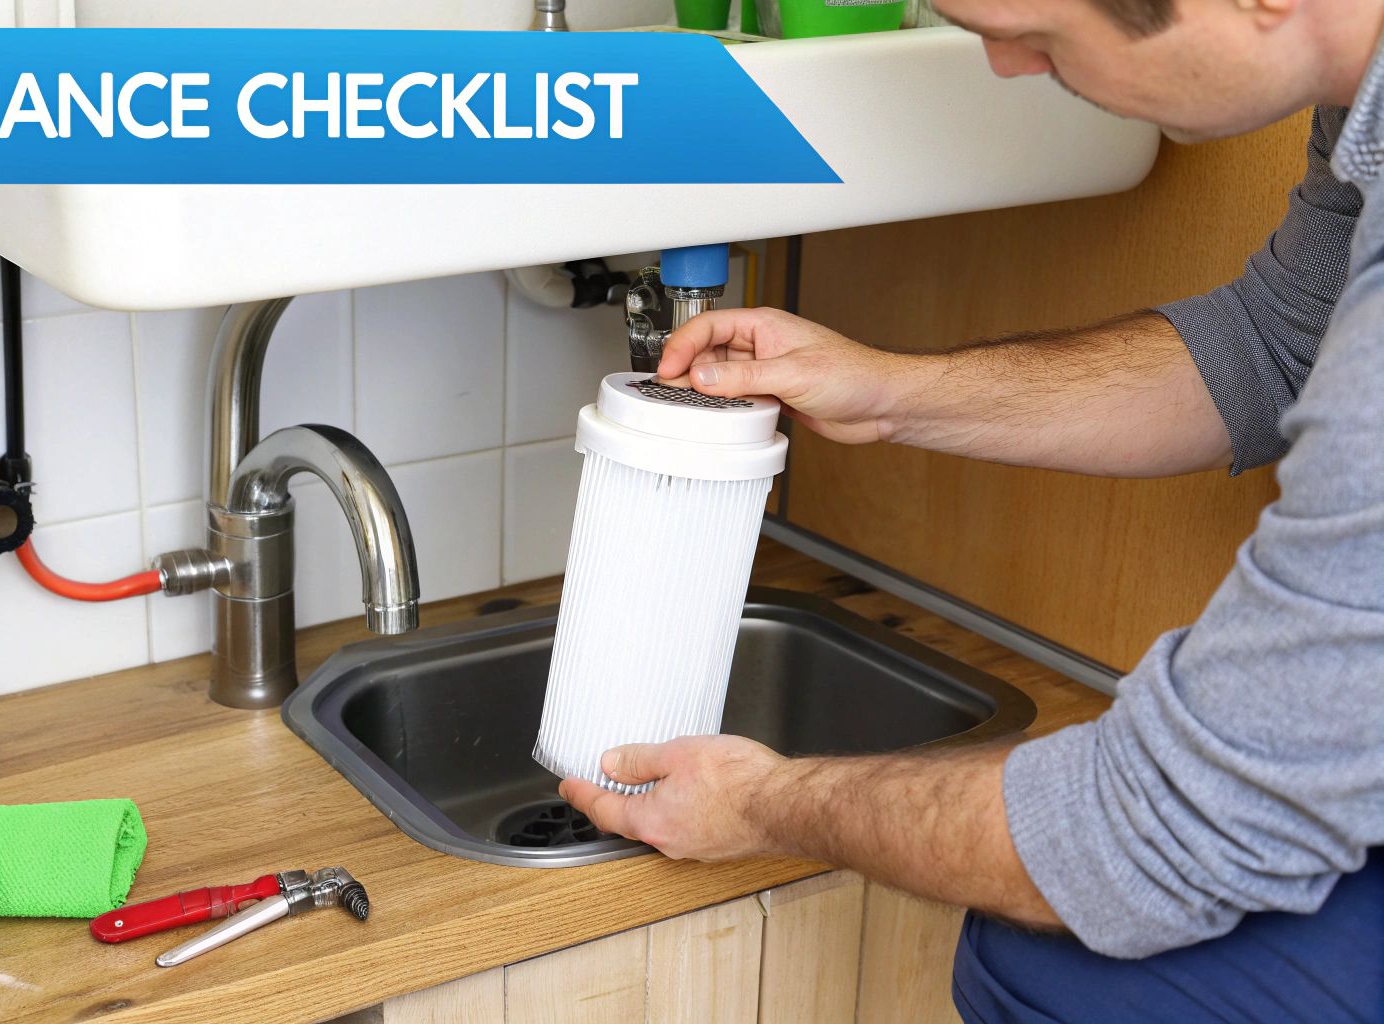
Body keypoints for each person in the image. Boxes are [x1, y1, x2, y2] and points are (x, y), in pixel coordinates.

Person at [557, 1, 1384, 1020]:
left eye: (1036, 27)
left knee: (1056, 961)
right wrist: (888, 393)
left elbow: (1149, 840)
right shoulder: (1360, 95)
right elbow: (1274, 345)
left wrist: (763, 803)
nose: (1003, 63)